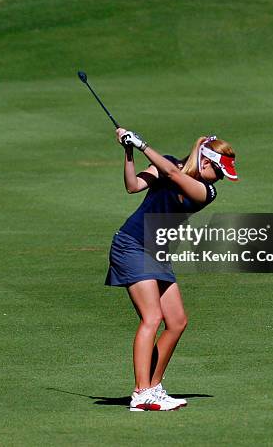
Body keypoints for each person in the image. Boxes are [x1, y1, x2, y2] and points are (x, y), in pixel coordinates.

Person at [105, 129, 237, 411]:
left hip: (157, 253)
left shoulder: (206, 191)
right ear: (204, 161)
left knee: (177, 321)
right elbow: (133, 186)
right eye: (219, 170)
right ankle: (141, 393)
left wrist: (142, 144)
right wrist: (129, 152)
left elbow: (175, 176)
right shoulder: (167, 163)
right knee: (152, 317)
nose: (221, 177)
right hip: (131, 245)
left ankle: (154, 387)